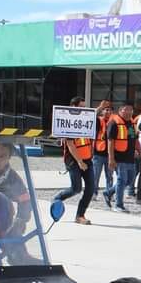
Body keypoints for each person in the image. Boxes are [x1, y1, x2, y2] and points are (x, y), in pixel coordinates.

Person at [54, 96, 95, 225]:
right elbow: (71, 145)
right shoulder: (70, 123)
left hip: (87, 159)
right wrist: (79, 161)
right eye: (80, 107)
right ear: (73, 107)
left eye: (84, 107)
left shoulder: (86, 121)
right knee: (76, 188)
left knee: (90, 188)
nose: (83, 110)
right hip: (74, 161)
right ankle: (58, 198)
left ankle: (80, 215)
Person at [106, 103, 141, 213]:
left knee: (130, 180)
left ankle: (108, 192)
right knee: (122, 180)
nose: (129, 112)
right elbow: (110, 142)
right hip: (119, 157)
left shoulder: (131, 123)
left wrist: (140, 152)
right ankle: (119, 205)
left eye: (131, 110)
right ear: (120, 110)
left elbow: (135, 139)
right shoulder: (114, 123)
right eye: (126, 109)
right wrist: (111, 159)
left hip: (130, 157)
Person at [91, 99, 114, 207]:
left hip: (110, 154)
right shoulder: (98, 120)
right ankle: (94, 193)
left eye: (109, 110)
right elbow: (90, 116)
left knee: (109, 175)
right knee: (96, 175)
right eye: (106, 110)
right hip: (98, 153)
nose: (108, 112)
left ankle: (109, 193)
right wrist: (100, 107)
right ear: (102, 112)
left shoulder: (114, 122)